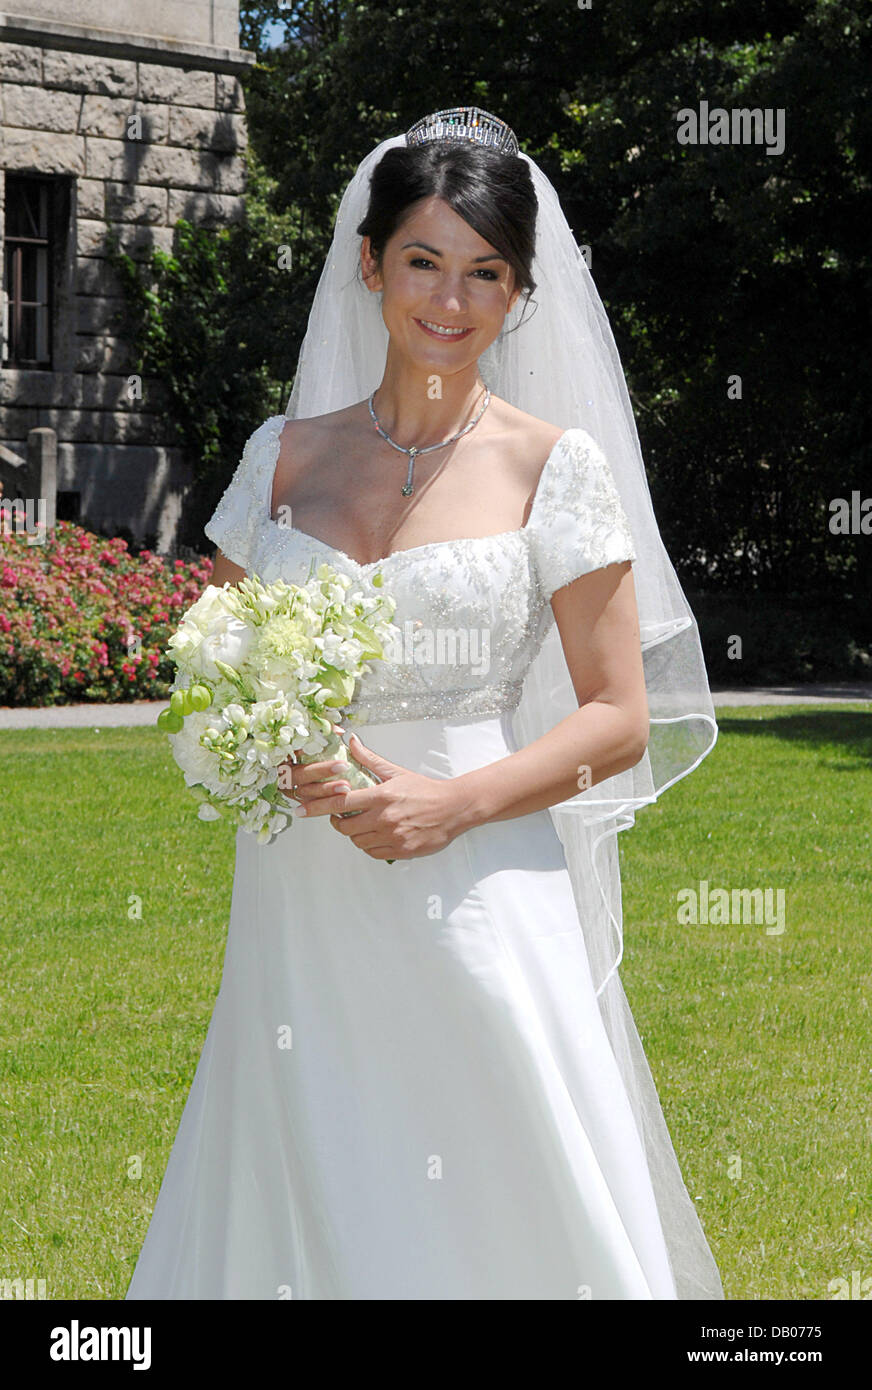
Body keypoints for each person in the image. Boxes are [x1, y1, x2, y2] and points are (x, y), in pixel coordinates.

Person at [126, 108, 722, 1300]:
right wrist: (264, 749)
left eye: (484, 272)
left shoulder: (554, 465)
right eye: (422, 261)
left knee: (508, 1159)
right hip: (304, 878)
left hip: (483, 867)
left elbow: (617, 717)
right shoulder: (282, 459)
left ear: (516, 290)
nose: (449, 300)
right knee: (319, 1153)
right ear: (369, 263)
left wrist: (451, 805)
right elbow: (216, 669)